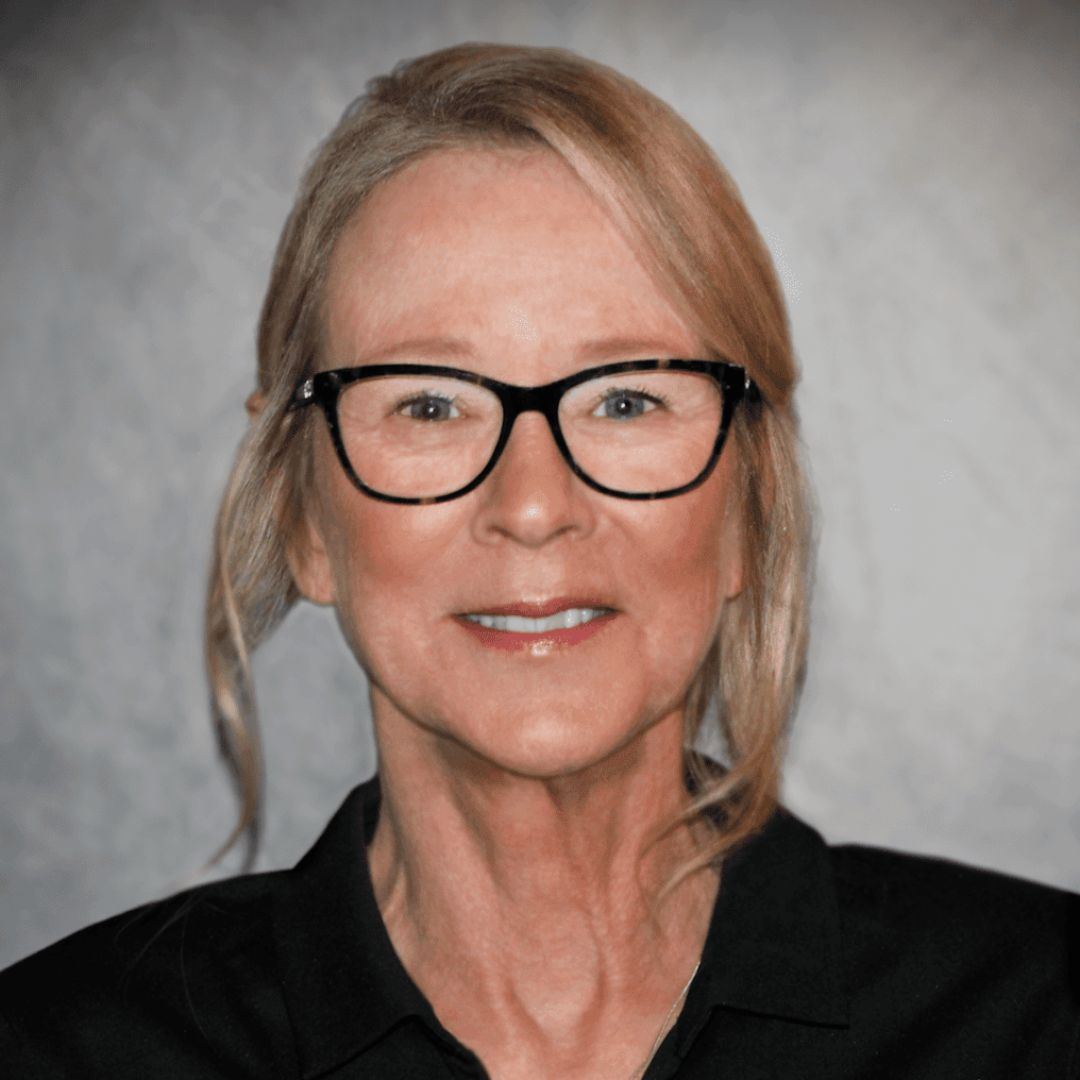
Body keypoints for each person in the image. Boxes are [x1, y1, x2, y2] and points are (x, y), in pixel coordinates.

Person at [1, 42, 1076, 1080]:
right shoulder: (58, 1049)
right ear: (303, 516)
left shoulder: (1041, 1018)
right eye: (430, 403)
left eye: (624, 398)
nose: (531, 506)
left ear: (749, 499)